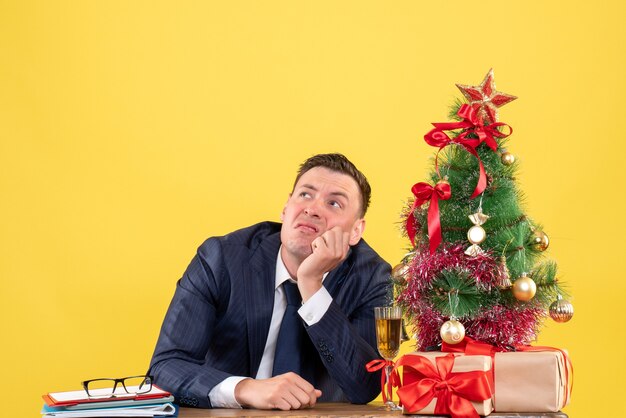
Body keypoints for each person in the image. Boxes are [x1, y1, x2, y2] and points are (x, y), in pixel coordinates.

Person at [148, 153, 391, 410]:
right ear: (286, 209)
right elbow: (164, 367)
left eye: (334, 203)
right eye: (305, 195)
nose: (312, 209)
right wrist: (244, 388)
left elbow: (365, 385)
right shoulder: (222, 259)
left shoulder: (372, 278)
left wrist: (311, 286)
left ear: (355, 231)